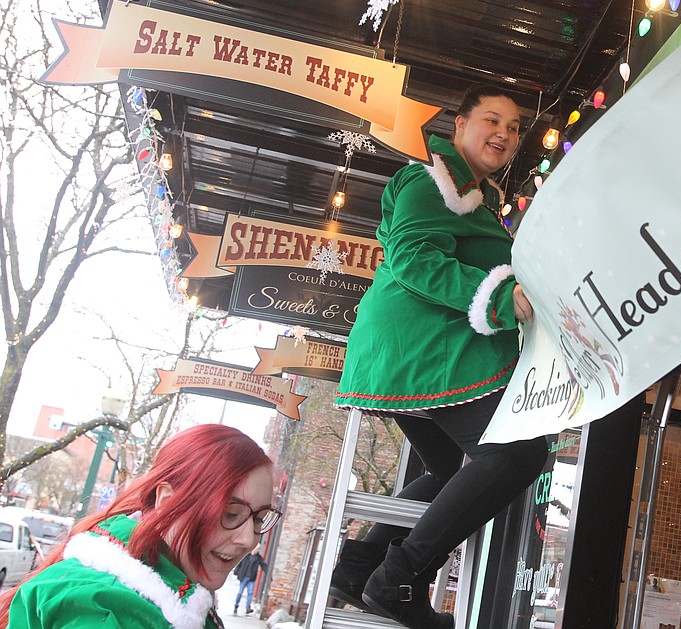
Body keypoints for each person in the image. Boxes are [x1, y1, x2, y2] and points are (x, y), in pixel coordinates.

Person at [332, 83, 550, 629]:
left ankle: (360, 567)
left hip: (423, 349)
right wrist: (501, 298)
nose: (504, 133)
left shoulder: (479, 196)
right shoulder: (428, 180)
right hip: (421, 348)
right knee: (519, 452)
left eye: (515, 127)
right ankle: (400, 578)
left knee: (448, 465)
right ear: (458, 125)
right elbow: (413, 259)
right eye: (492, 120)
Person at [0, 424, 281, 629]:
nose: (248, 540)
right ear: (167, 501)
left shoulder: (175, 593)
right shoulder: (101, 607)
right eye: (231, 513)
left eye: (258, 519)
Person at [232, 544, 268, 615]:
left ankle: (248, 608)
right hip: (244, 576)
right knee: (240, 592)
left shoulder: (258, 558)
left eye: (259, 549)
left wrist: (269, 575)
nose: (258, 550)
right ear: (254, 548)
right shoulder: (246, 556)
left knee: (250, 593)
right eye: (257, 549)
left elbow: (264, 565)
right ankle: (236, 605)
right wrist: (236, 571)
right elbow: (240, 563)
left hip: (251, 578)